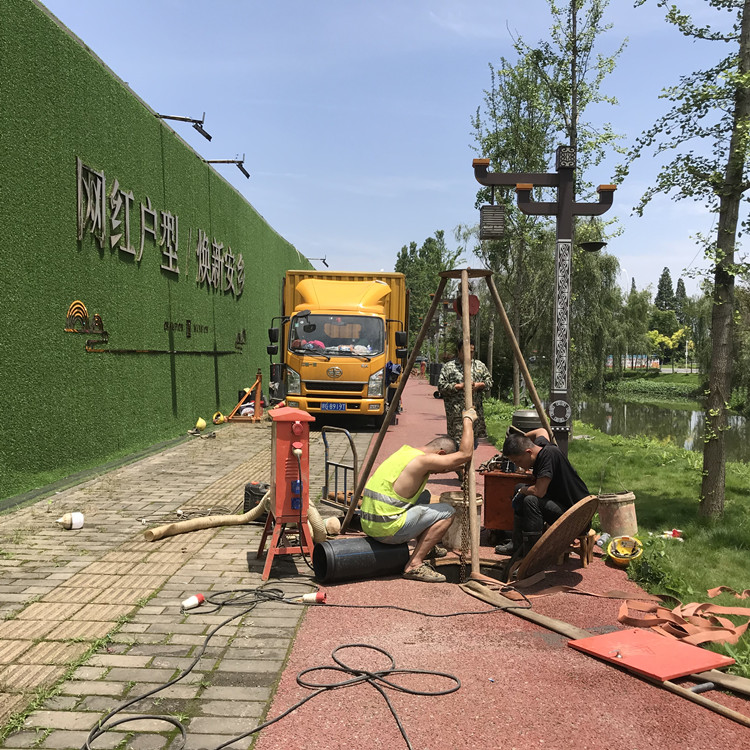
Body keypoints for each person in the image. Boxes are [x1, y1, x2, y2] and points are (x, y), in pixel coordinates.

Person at [360, 407, 478, 583]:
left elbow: (436, 468)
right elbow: (465, 454)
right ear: (441, 454)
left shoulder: (406, 452)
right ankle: (414, 564)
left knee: (424, 496)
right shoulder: (424, 460)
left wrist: (451, 466)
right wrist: (468, 420)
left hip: (368, 524)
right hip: (385, 530)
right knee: (447, 512)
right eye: (443, 462)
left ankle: (427, 544)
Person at [494, 428, 591, 557]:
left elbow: (539, 492)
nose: (519, 466)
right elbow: (541, 430)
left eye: (518, 461)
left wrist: (522, 491)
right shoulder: (540, 446)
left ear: (528, 452)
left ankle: (530, 555)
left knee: (531, 500)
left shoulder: (548, 456)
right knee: (519, 487)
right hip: (564, 507)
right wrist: (520, 440)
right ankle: (516, 544)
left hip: (578, 517)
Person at [437, 340, 492, 447]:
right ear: (459, 351)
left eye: (471, 352)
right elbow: (441, 386)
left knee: (472, 445)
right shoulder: (449, 367)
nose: (469, 355)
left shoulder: (479, 366)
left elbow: (489, 382)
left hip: (474, 415)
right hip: (456, 416)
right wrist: (459, 386)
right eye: (465, 351)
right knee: (457, 446)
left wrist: (479, 385)